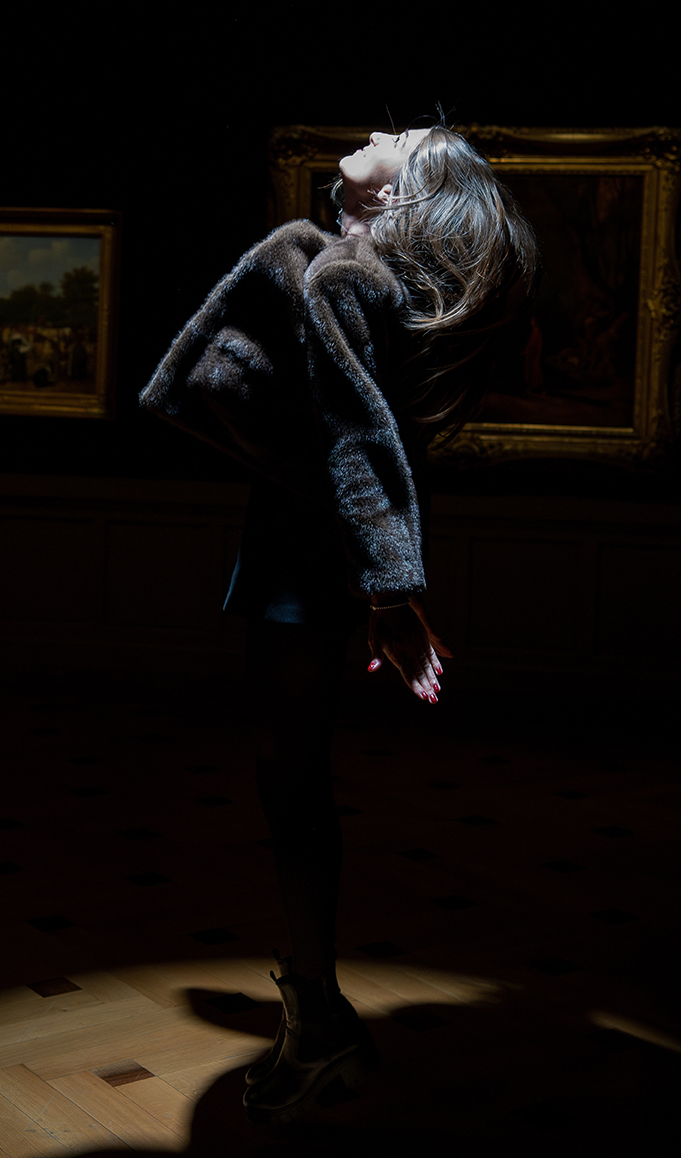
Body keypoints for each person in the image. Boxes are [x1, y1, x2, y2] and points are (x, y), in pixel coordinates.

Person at [140, 122, 538, 1125]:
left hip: (317, 551)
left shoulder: (343, 276)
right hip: (320, 541)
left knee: (290, 781)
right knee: (291, 781)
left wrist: (389, 590)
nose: (377, 128)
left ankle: (315, 1021)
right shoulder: (359, 272)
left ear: (406, 192)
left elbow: (360, 439)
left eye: (401, 136)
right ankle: (311, 1010)